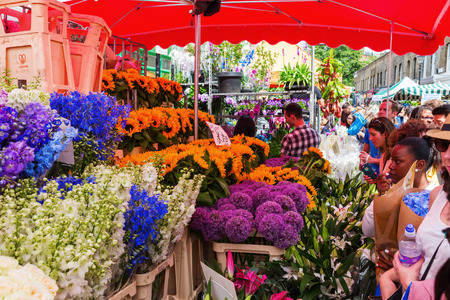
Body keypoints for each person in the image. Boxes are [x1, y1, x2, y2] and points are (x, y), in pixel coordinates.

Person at [362, 137, 436, 237]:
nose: (391, 166)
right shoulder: (392, 190)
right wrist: (382, 196)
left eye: (398, 161)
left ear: (420, 165)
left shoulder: (435, 197)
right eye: (391, 160)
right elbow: (368, 230)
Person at [359, 99, 399, 175]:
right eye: (380, 109)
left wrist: (372, 160)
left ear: (394, 114)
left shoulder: (398, 132)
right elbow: (365, 152)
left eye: (385, 110)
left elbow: (395, 160)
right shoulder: (369, 131)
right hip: (373, 173)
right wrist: (362, 163)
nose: (381, 112)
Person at [362, 117, 396, 183]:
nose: (370, 138)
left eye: (373, 134)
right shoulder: (384, 153)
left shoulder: (396, 155)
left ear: (385, 134)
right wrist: (377, 180)